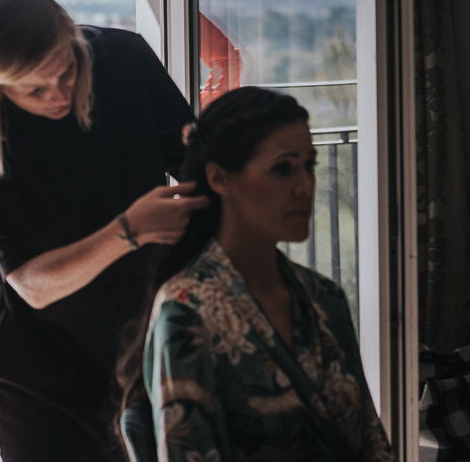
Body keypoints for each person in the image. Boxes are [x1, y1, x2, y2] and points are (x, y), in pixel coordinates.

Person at [0, 0, 209, 460]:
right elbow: (30, 283)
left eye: (65, 72)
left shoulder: (124, 58)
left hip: (137, 314)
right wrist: (131, 229)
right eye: (33, 89)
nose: (57, 95)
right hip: (33, 341)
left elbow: (200, 173)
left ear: (71, 37)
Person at [117, 87, 393, 461]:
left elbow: (371, 441)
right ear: (220, 179)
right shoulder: (187, 312)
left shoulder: (325, 298)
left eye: (309, 165)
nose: (305, 186)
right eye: (282, 168)